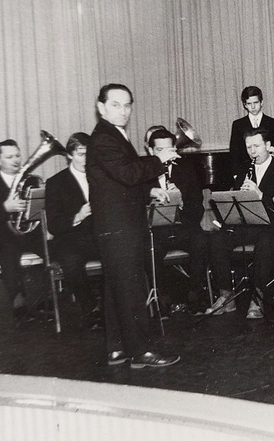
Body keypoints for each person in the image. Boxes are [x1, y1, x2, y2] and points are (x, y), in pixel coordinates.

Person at [86, 83, 180, 368]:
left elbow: (115, 182)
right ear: (101, 107)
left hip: (114, 223)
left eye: (127, 105)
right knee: (132, 288)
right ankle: (142, 352)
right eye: (116, 104)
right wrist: (159, 160)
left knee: (116, 287)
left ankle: (116, 348)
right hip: (120, 226)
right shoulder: (105, 137)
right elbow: (127, 174)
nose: (123, 110)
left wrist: (147, 191)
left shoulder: (111, 136)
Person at [206, 128, 274, 319]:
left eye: (256, 146)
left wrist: (260, 195)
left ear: (267, 146)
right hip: (246, 225)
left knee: (265, 243)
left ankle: (258, 297)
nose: (252, 151)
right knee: (218, 240)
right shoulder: (243, 170)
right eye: (249, 147)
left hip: (272, 227)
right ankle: (226, 296)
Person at [0, 139, 45, 321]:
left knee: (52, 247)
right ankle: (18, 303)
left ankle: (44, 300)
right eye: (9, 156)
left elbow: (38, 215)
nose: (16, 160)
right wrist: (5, 208)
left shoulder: (32, 180)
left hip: (26, 235)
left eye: (18, 155)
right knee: (9, 246)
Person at [145, 128, 211, 316]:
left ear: (175, 149)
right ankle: (162, 301)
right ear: (151, 152)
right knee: (149, 250)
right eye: (159, 150)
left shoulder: (187, 170)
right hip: (156, 232)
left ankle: (194, 296)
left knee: (202, 241)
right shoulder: (143, 173)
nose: (165, 154)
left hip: (184, 229)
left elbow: (198, 209)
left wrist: (181, 202)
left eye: (169, 149)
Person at [45, 133, 103, 330]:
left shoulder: (101, 177)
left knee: (120, 251)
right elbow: (53, 225)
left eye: (90, 154)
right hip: (70, 239)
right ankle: (90, 309)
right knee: (71, 261)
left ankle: (112, 307)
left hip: (98, 236)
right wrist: (78, 216)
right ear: (69, 155)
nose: (86, 159)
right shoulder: (55, 183)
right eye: (81, 154)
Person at [229, 86, 274, 178]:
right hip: (245, 172)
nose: (253, 107)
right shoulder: (238, 125)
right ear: (245, 105)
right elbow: (234, 152)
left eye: (255, 103)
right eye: (249, 104)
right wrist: (236, 174)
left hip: (268, 172)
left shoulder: (273, 123)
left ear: (262, 102)